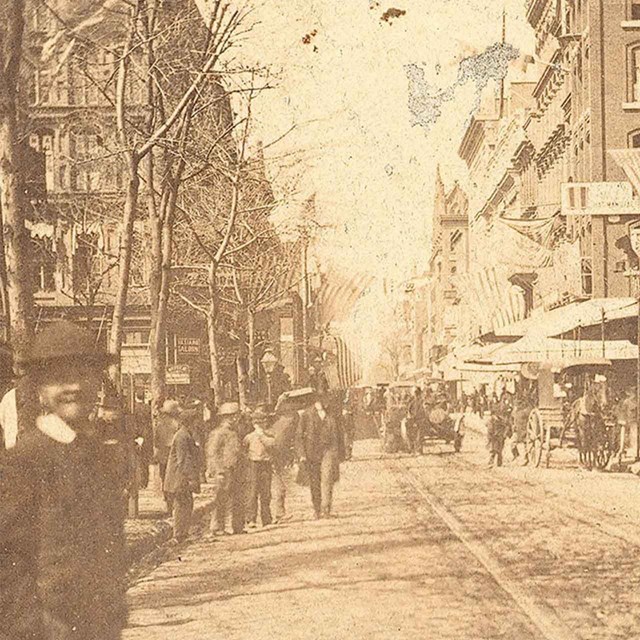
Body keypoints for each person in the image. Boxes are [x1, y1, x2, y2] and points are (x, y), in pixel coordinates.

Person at [0, 320, 128, 640]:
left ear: (98, 383)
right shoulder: (25, 459)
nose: (73, 387)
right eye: (59, 379)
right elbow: (10, 560)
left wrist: (113, 612)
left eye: (83, 375)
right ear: (41, 389)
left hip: (98, 626)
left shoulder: (97, 454)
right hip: (47, 628)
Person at [297, 394, 345, 519]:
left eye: (325, 399)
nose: (324, 402)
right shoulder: (306, 415)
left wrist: (341, 453)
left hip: (328, 450)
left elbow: (339, 434)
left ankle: (326, 508)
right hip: (311, 452)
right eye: (321, 399)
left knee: (327, 478)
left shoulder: (332, 414)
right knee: (315, 481)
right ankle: (317, 509)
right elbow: (299, 436)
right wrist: (302, 454)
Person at [206, 402, 245, 536]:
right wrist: (218, 471)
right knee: (221, 499)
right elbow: (213, 453)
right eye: (232, 416)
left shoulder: (235, 432)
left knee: (238, 498)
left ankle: (238, 526)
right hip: (224, 470)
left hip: (235, 468)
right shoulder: (218, 433)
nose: (235, 419)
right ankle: (217, 527)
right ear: (226, 417)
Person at [163, 405, 201, 543]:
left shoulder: (186, 434)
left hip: (181, 477)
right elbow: (183, 459)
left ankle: (182, 533)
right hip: (179, 477)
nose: (198, 423)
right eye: (196, 420)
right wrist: (191, 478)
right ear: (190, 421)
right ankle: (178, 535)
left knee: (186, 504)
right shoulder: (182, 436)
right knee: (181, 505)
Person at [244, 405, 276, 528]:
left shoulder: (269, 435)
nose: (260, 424)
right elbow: (244, 449)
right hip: (253, 464)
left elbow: (271, 445)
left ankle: (266, 518)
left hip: (266, 464)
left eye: (262, 422)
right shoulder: (249, 437)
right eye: (257, 422)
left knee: (266, 492)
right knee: (252, 492)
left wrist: (261, 435)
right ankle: (251, 519)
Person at [154, 398, 181, 512]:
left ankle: (168, 504)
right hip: (174, 456)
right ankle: (174, 505)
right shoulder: (177, 424)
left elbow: (156, 441)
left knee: (165, 479)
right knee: (175, 480)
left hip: (163, 456)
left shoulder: (159, 424)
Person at [486, 397, 512, 467]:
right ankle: (495, 462)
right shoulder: (493, 420)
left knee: (496, 450)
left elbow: (507, 426)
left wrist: (505, 434)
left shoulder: (496, 420)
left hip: (497, 436)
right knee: (495, 450)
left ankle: (496, 462)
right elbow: (489, 429)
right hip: (496, 437)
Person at [407, 387, 426, 455]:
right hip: (414, 420)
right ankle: (414, 449)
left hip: (420, 420)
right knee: (414, 435)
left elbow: (424, 410)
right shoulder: (412, 401)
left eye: (416, 393)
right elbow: (408, 410)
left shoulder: (422, 401)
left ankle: (418, 450)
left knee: (419, 436)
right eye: (415, 393)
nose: (416, 394)